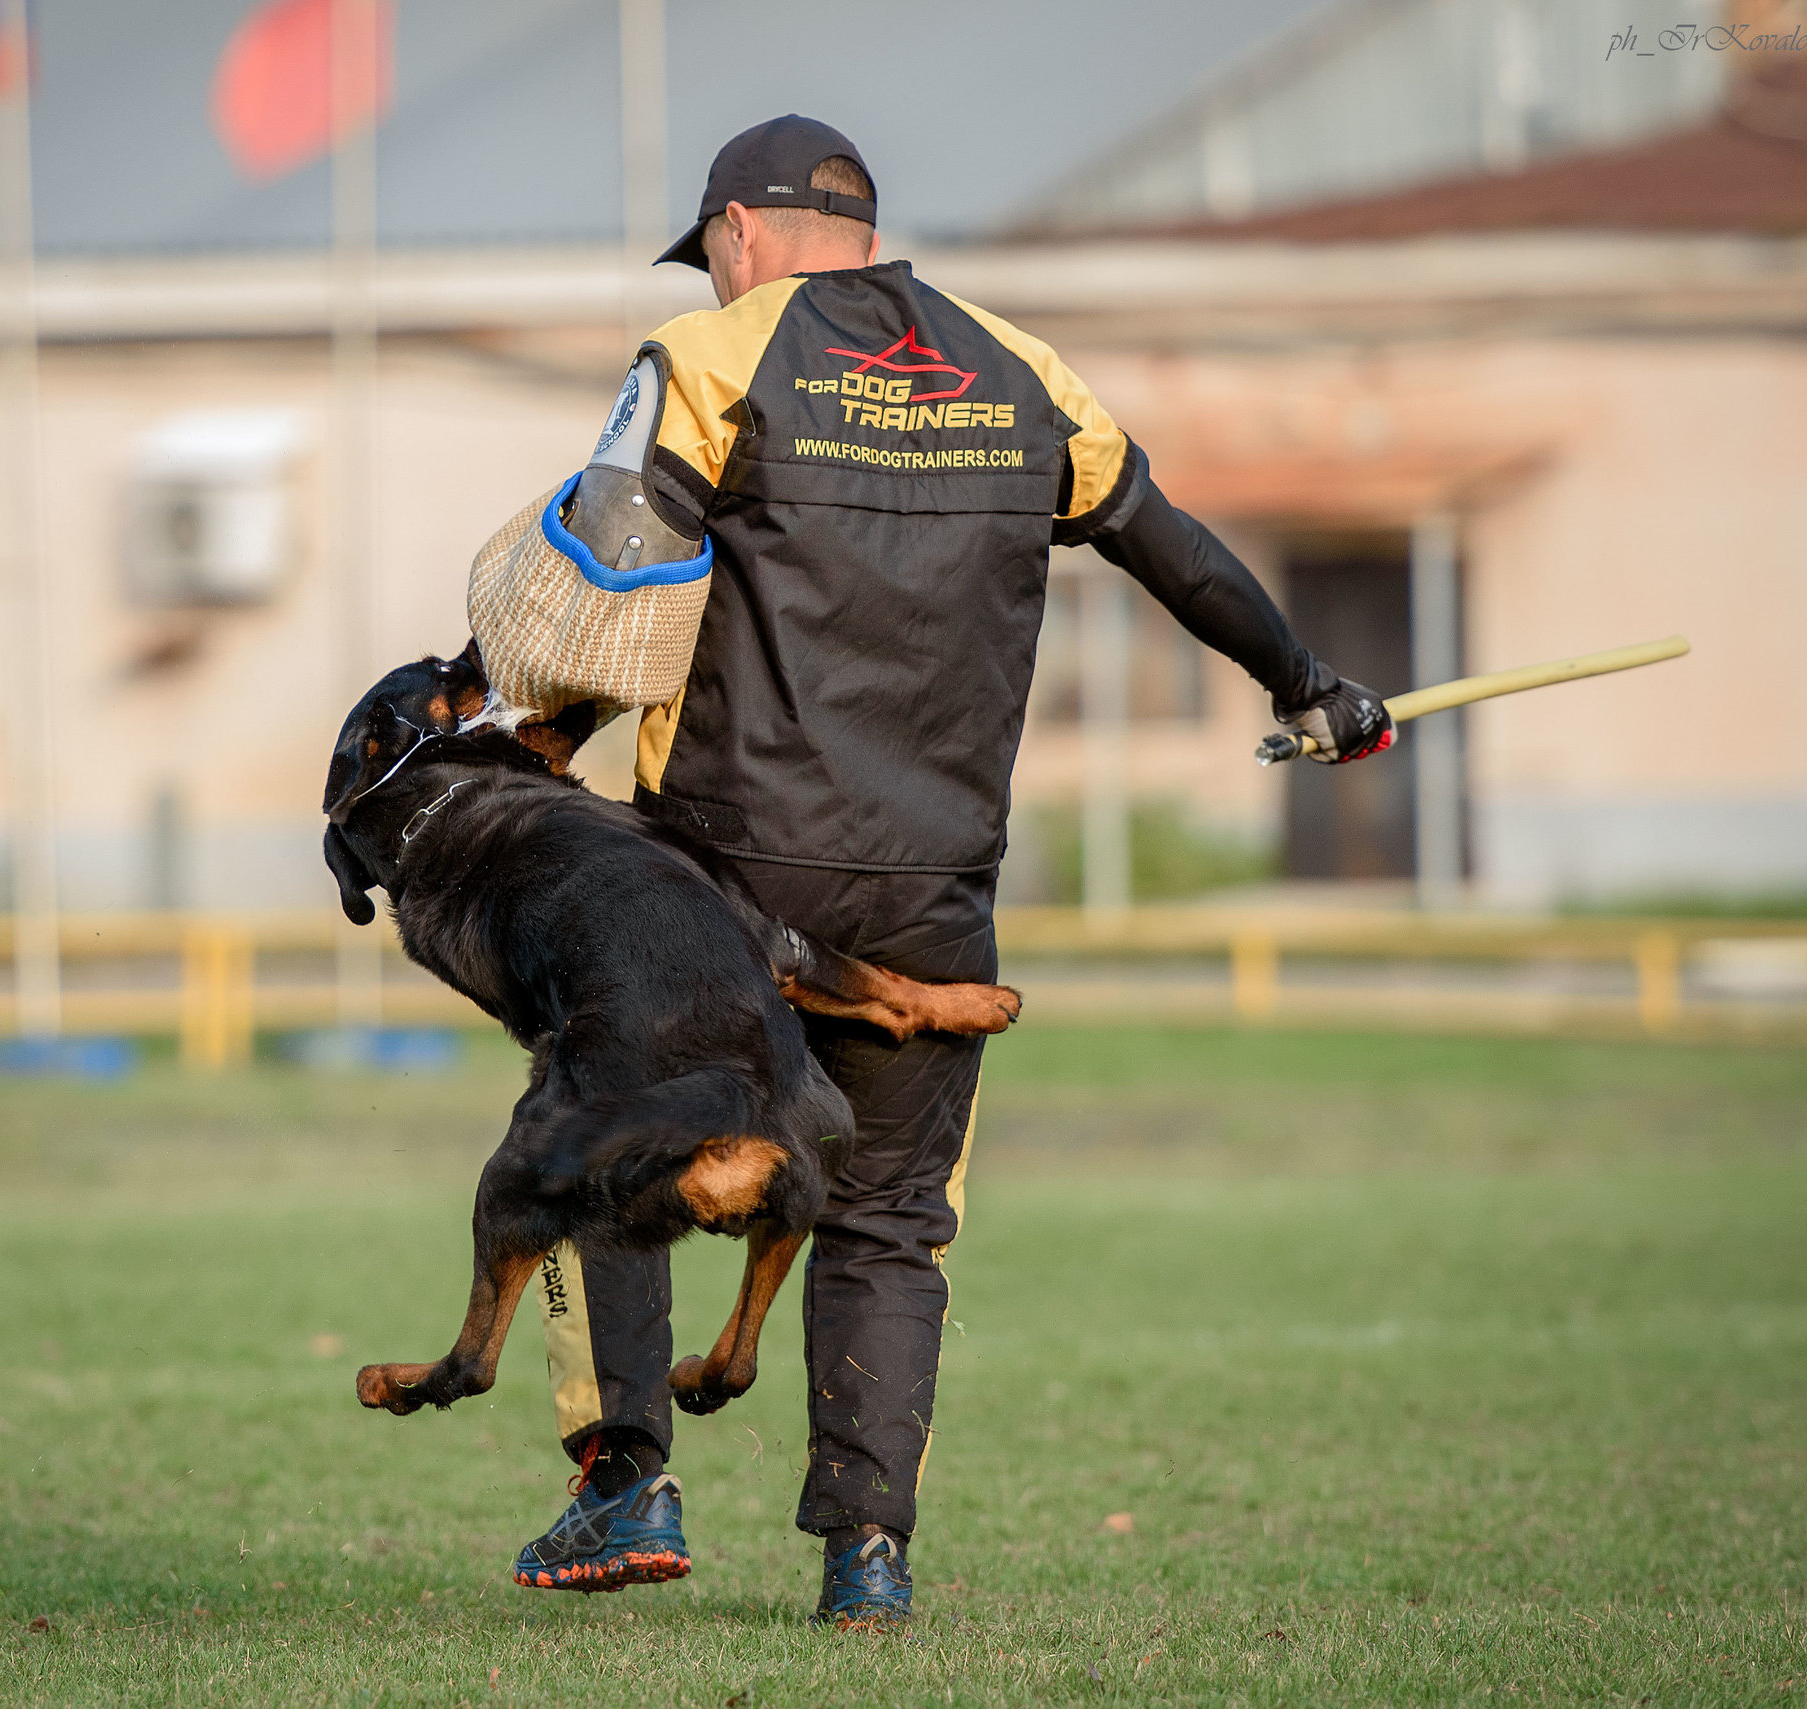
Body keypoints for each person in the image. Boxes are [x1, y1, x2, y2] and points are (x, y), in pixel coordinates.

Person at [493, 115, 1392, 1628]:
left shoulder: (709, 360)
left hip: (720, 863)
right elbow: (1169, 547)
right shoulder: (1028, 374)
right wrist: (1313, 687)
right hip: (929, 890)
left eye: (711, 254)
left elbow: (608, 562)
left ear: (740, 234)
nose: (712, 276)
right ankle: (869, 1560)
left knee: (592, 1122)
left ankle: (624, 1477)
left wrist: (538, 727)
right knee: (891, 1212)